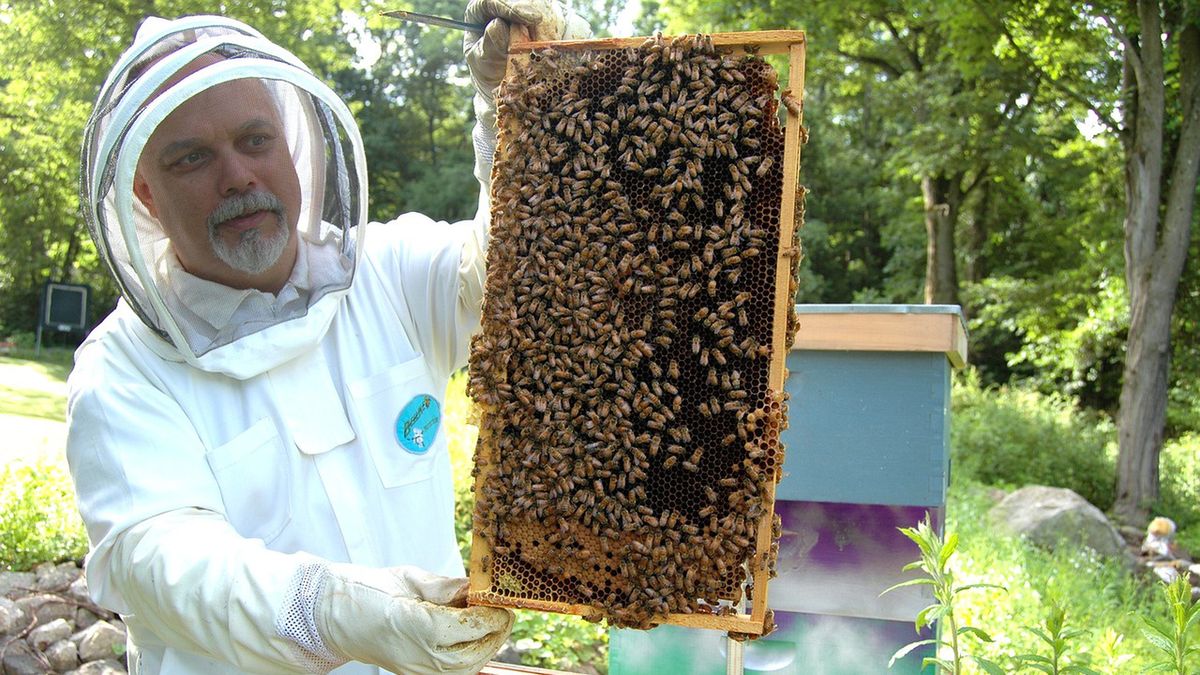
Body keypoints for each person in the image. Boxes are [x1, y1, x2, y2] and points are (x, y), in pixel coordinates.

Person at [68, 3, 588, 674]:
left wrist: (532, 102)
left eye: (255, 140)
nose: (238, 176)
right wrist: (329, 611)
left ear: (291, 145)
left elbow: (523, 277)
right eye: (192, 158)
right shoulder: (122, 374)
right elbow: (162, 563)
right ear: (144, 192)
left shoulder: (390, 274)